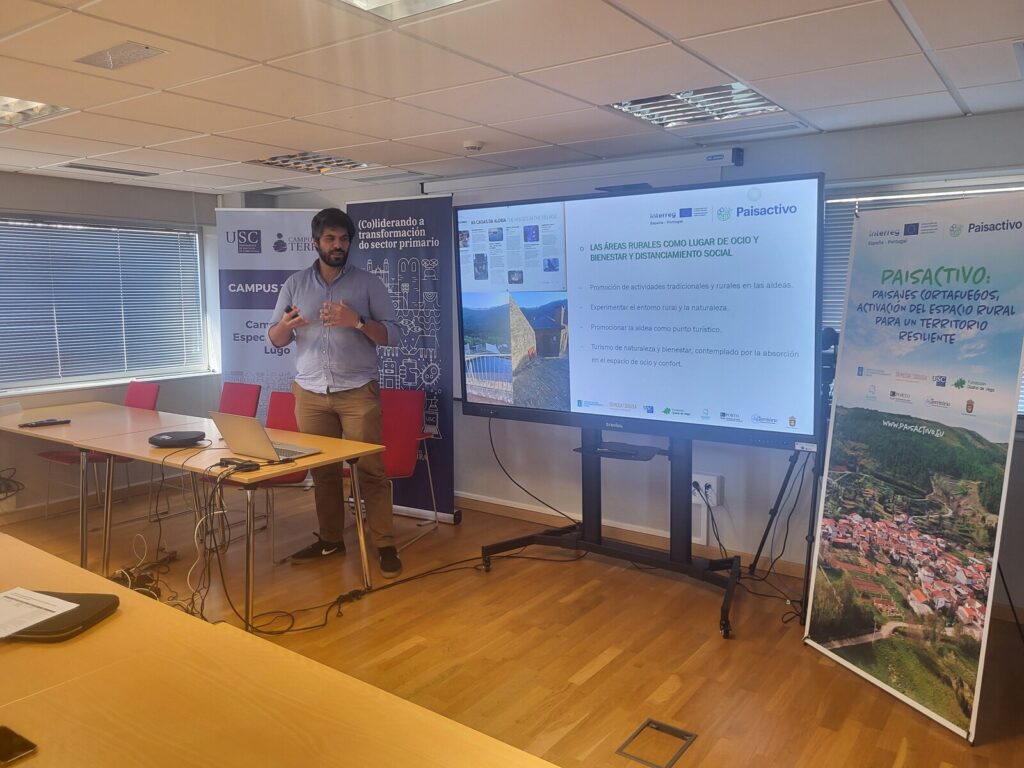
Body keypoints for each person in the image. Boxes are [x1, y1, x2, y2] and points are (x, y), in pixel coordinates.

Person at [267, 207, 402, 578]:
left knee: (370, 471)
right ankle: (330, 540)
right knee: (323, 472)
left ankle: (385, 545)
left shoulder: (368, 284)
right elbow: (276, 338)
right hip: (310, 394)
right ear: (316, 243)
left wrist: (357, 321)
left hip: (357, 392)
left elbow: (393, 336)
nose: (338, 245)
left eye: (343, 239)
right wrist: (285, 325)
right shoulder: (295, 284)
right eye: (330, 239)